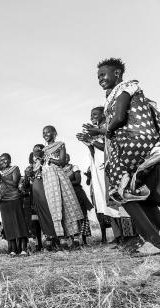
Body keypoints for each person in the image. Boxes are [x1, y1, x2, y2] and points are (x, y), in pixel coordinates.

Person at [93, 57, 160, 250]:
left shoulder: (126, 88)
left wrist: (106, 131)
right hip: (137, 142)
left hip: (134, 142)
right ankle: (154, 238)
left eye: (102, 75)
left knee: (119, 190)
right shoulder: (116, 94)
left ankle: (153, 241)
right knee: (136, 194)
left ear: (117, 73)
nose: (100, 79)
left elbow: (120, 117)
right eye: (98, 77)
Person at [76, 107, 117, 243]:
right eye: (91, 114)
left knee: (115, 200)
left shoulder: (108, 127)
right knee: (104, 203)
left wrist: (91, 139)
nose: (92, 116)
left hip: (110, 167)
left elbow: (107, 147)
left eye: (95, 114)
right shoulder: (95, 130)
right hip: (98, 169)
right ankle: (119, 236)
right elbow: (94, 151)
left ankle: (127, 236)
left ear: (103, 114)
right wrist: (87, 142)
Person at [40, 126, 83, 247]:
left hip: (59, 177)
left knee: (67, 205)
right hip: (48, 181)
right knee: (55, 208)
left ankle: (75, 238)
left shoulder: (60, 144)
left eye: (48, 132)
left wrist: (50, 158)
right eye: (44, 132)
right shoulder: (43, 150)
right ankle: (62, 238)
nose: (46, 134)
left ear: (55, 133)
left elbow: (63, 162)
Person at [0, 154, 29, 256]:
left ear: (8, 160)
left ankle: (23, 249)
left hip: (14, 198)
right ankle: (13, 250)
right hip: (3, 200)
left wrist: (1, 177)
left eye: (3, 160)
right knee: (9, 225)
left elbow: (14, 183)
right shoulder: (0, 173)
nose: (1, 162)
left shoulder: (15, 168)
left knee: (20, 223)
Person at [31, 144, 59, 250]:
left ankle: (56, 238)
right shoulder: (34, 164)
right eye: (34, 150)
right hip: (37, 193)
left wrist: (42, 162)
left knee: (50, 213)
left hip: (46, 189)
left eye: (38, 150)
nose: (35, 152)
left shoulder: (47, 160)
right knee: (42, 216)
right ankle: (48, 240)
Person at [63, 154, 93, 245]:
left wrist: (65, 183)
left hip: (77, 194)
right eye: (64, 158)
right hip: (67, 196)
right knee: (71, 217)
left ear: (69, 159)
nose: (66, 159)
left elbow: (78, 181)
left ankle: (83, 240)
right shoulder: (59, 170)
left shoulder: (74, 167)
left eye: (67, 157)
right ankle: (73, 239)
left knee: (82, 215)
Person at [20, 152, 42, 251]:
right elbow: (23, 188)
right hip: (30, 203)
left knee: (41, 224)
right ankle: (35, 246)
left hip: (41, 199)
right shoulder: (28, 169)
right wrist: (26, 175)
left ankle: (42, 244)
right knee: (33, 225)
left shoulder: (42, 168)